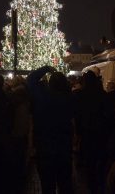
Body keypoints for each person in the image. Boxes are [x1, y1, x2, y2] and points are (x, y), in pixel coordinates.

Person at [27, 65, 74, 194]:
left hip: (45, 147)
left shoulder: (42, 98)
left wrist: (46, 68)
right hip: (64, 148)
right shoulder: (69, 99)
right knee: (65, 184)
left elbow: (31, 79)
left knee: (47, 186)